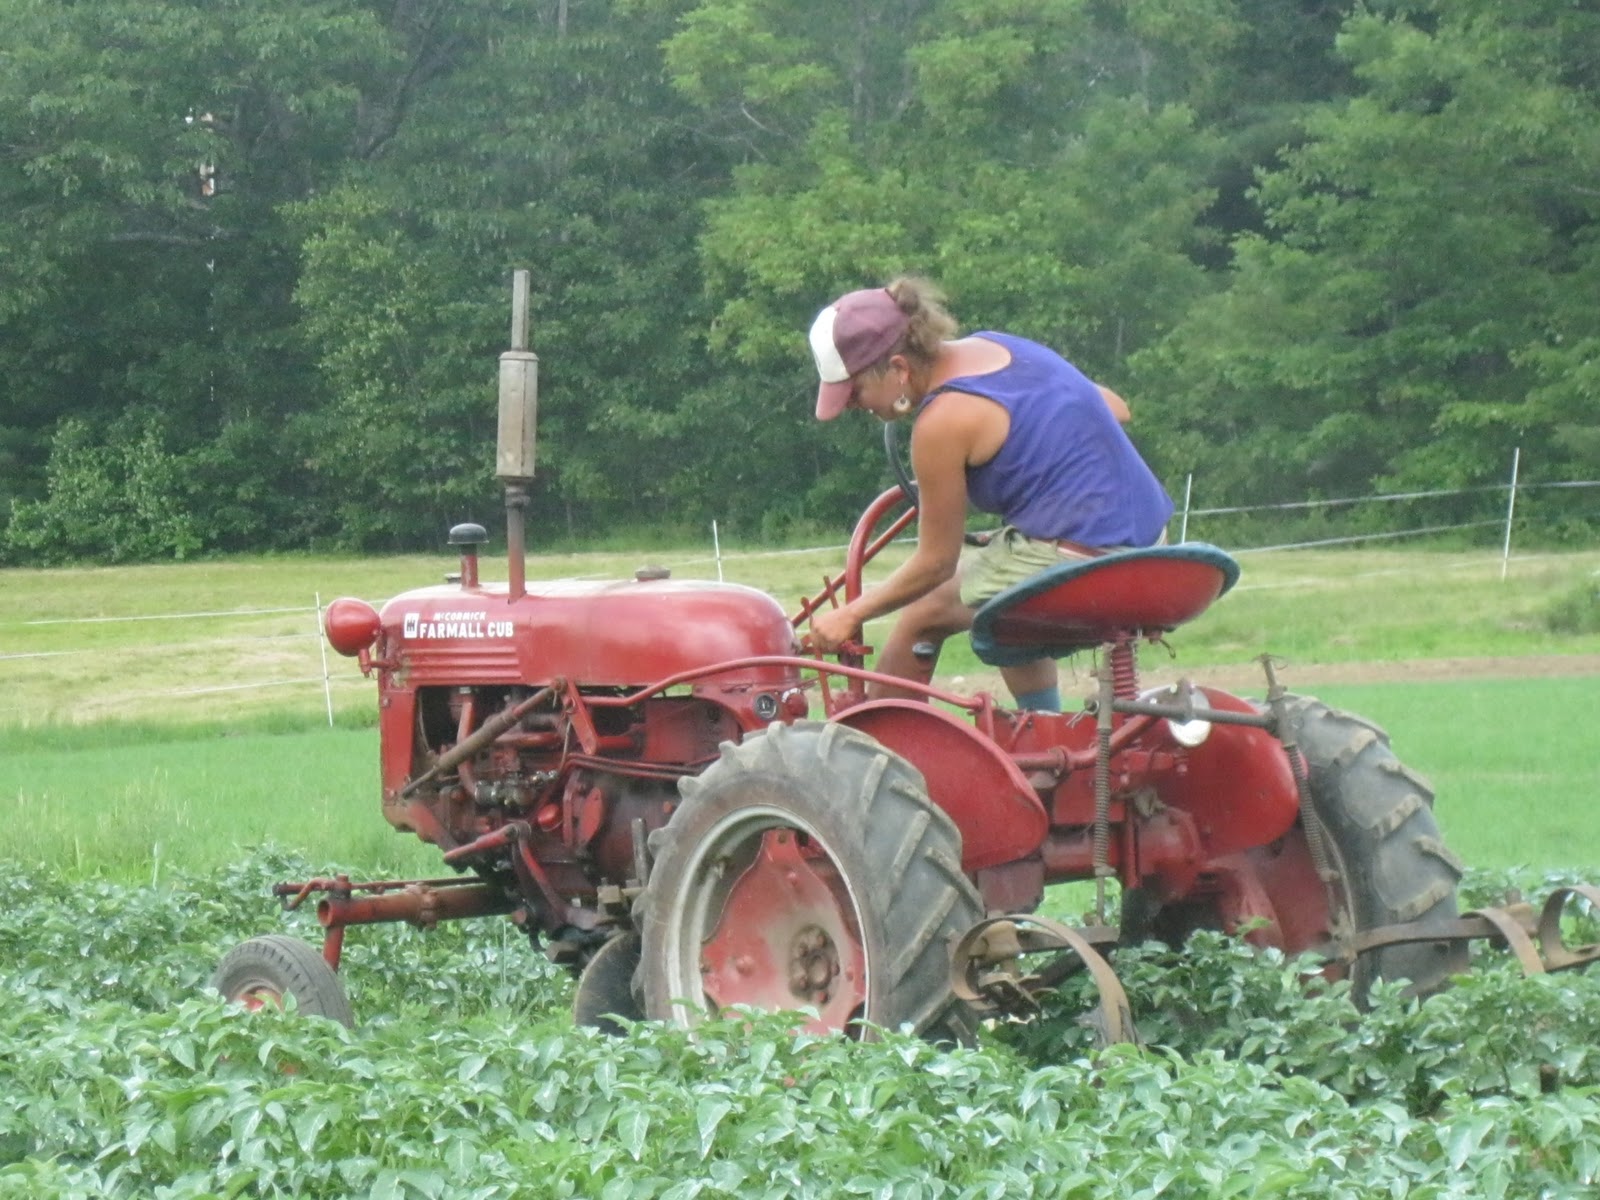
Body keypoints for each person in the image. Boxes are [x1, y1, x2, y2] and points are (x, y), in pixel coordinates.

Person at [806, 277, 1173, 711]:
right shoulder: (999, 347)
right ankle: (1041, 724)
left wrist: (850, 614)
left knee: (925, 612)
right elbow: (1113, 407)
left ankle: (874, 742)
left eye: (855, 393)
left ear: (900, 369)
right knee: (999, 571)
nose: (856, 407)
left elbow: (935, 565)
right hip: (1152, 543)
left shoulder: (941, 422)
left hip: (1089, 559)